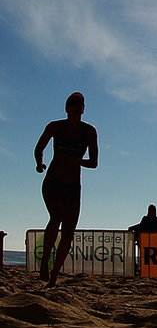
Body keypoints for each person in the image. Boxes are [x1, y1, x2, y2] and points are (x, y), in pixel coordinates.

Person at [34, 92, 98, 287]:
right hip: (53, 181)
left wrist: (77, 161)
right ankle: (45, 260)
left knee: (68, 232)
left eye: (80, 104)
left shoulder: (89, 131)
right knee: (56, 217)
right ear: (67, 107)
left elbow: (94, 163)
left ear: (83, 109)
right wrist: (39, 164)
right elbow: (39, 148)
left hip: (73, 186)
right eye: (73, 104)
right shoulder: (55, 126)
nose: (77, 107)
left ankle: (54, 276)